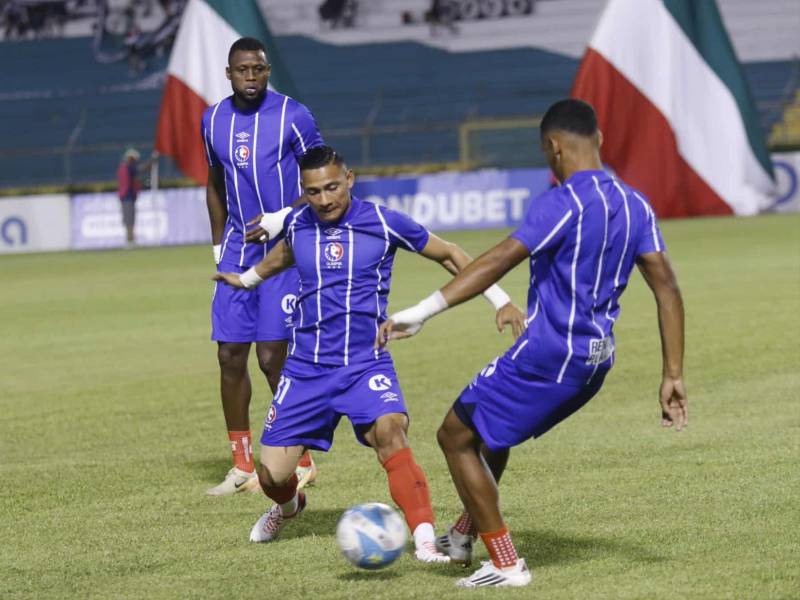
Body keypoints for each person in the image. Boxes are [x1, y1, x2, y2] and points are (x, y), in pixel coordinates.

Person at [377, 98, 688, 587]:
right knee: (488, 429)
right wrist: (672, 374)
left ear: (552, 147)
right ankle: (461, 536)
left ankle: (505, 563)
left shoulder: (562, 202)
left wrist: (421, 311)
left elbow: (499, 258)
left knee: (454, 435)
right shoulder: (635, 204)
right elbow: (667, 288)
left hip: (549, 352)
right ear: (599, 140)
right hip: (595, 360)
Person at [213, 145, 526, 561]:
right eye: (313, 192)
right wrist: (249, 279)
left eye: (332, 188)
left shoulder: (381, 221)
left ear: (350, 180)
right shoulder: (300, 222)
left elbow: (450, 253)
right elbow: (286, 254)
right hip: (305, 368)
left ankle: (426, 540)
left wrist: (500, 299)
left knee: (390, 432)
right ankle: (288, 506)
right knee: (271, 475)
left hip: (366, 362)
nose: (324, 200)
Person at [201, 37, 322, 496]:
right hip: (235, 251)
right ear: (229, 73)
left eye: (259, 69)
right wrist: (218, 247)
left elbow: (322, 176)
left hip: (286, 250)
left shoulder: (295, 115)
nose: (251, 77)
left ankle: (302, 459)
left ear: (268, 71)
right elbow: (213, 183)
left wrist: (283, 217)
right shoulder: (211, 119)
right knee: (229, 355)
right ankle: (241, 466)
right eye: (242, 70)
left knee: (272, 358)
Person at [116, 147, 158, 248]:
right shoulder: (128, 168)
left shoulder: (125, 167)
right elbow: (142, 169)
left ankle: (131, 240)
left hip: (127, 197)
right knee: (129, 220)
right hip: (127, 197)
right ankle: (130, 241)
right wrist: (152, 161)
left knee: (130, 220)